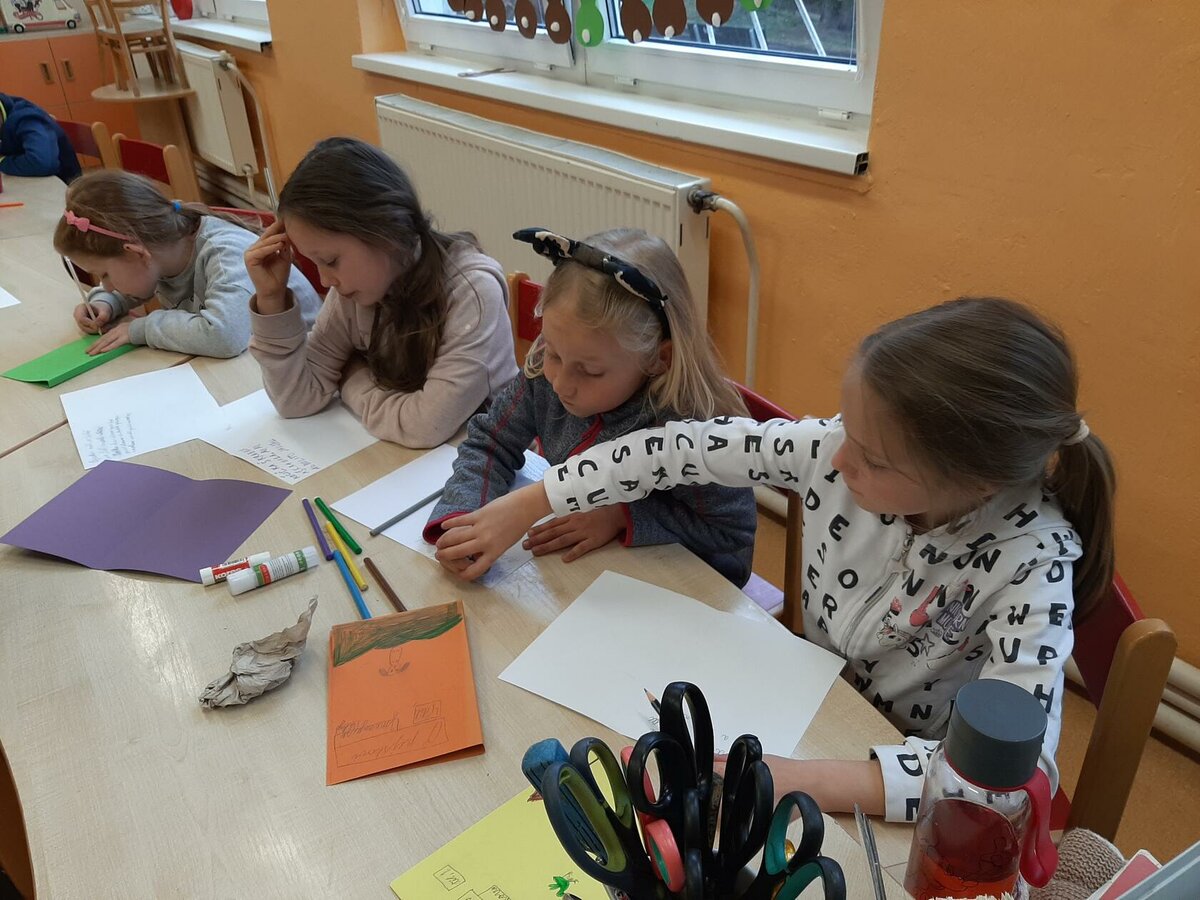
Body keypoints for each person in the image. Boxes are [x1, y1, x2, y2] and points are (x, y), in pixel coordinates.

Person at [435, 297, 1116, 822]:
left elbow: (1007, 787)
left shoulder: (1033, 566)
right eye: (847, 427)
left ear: (977, 483)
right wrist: (532, 501)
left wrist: (799, 779)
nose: (837, 457)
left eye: (872, 458)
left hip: (885, 770)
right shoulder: (836, 450)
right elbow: (671, 449)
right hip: (801, 698)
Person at [428, 227, 757, 586]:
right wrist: (463, 520)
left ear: (658, 359)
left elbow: (730, 535)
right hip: (580, 576)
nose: (560, 383)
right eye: (552, 351)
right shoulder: (544, 373)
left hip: (675, 592)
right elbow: (491, 441)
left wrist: (622, 515)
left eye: (589, 371)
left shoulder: (690, 423)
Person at [244, 137, 517, 447]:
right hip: (406, 460)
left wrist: (351, 378)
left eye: (330, 261)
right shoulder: (357, 291)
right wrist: (272, 300)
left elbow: (424, 426)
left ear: (384, 231)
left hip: (492, 461)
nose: (324, 280)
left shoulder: (473, 291)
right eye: (314, 263)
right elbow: (295, 399)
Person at [54, 170, 319, 357]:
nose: (108, 285)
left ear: (135, 252)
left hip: (308, 366)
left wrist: (142, 329)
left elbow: (224, 336)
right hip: (257, 366)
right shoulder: (162, 249)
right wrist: (106, 303)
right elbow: (139, 283)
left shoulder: (225, 255)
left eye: (105, 274)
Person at [0, 92, 81, 183]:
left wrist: (2, 161)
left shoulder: (27, 117)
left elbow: (43, 163)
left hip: (63, 184)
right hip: (26, 180)